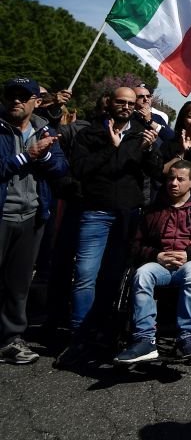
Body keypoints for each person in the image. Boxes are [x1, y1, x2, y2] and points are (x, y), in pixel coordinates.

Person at [55, 87, 163, 368]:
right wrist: (111, 149)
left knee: (114, 277)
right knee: (85, 275)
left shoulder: (141, 133)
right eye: (121, 102)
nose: (127, 106)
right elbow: (79, 169)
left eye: (131, 103)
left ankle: (106, 331)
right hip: (95, 212)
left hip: (128, 214)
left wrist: (150, 150)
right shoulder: (89, 134)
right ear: (109, 103)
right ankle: (80, 338)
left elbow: (155, 171)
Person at [114, 160, 191, 364]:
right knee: (142, 274)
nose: (173, 183)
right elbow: (136, 245)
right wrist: (156, 255)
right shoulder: (154, 210)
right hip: (160, 263)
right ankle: (144, 340)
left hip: (190, 262)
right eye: (171, 178)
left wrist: (189, 253)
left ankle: (187, 336)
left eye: (180, 179)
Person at [0, 77, 69, 364]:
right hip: (3, 214)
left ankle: (9, 339)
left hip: (31, 216)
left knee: (18, 285)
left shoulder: (45, 129)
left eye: (23, 96)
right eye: (11, 95)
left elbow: (61, 166)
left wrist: (45, 156)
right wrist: (27, 156)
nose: (16, 100)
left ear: (36, 102)